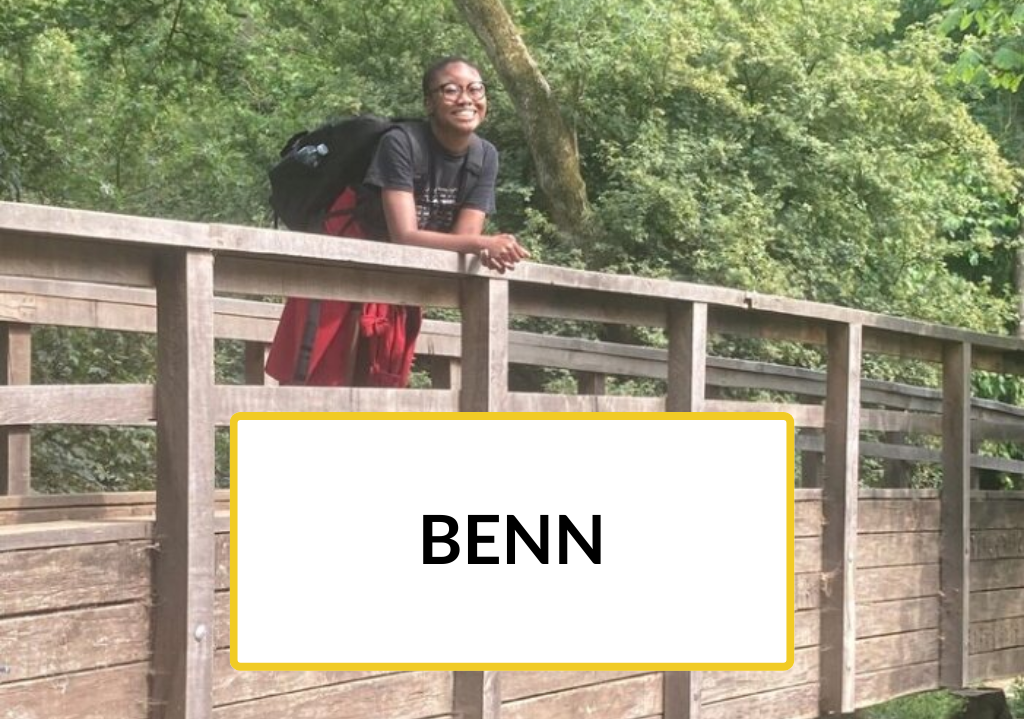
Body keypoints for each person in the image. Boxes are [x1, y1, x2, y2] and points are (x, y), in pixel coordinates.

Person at [265, 56, 528, 387]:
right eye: (451, 90)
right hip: (346, 255)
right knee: (317, 377)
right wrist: (483, 244)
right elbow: (405, 234)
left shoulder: (484, 155)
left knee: (382, 379)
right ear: (429, 102)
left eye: (476, 89)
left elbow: (463, 236)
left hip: (401, 271)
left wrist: (480, 245)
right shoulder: (401, 142)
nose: (466, 99)